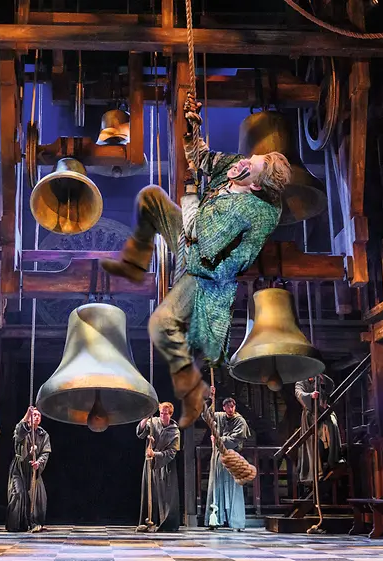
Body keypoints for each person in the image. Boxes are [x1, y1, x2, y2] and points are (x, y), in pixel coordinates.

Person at [101, 92, 292, 428]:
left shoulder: (250, 211)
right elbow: (203, 158)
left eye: (253, 165)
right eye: (253, 156)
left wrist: (190, 194)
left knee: (161, 324)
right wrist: (191, 131)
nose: (245, 161)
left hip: (207, 271)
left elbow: (197, 231)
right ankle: (133, 262)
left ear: (256, 187)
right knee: (151, 198)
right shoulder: (240, 169)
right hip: (193, 241)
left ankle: (192, 392)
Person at [205, 390, 250, 530]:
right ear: (224, 407)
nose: (230, 409)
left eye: (232, 406)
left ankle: (236, 521)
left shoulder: (240, 421)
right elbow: (206, 415)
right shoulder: (220, 416)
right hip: (219, 457)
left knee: (233, 487)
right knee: (217, 485)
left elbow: (236, 439)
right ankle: (216, 519)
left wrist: (219, 439)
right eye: (228, 407)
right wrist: (211, 398)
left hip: (232, 456)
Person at [136, 402, 181, 533]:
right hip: (151, 463)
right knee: (149, 491)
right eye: (161, 413)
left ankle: (167, 523)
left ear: (170, 414)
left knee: (165, 495)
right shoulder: (153, 422)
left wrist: (155, 454)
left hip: (165, 464)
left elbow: (171, 453)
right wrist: (146, 417)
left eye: (165, 414)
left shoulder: (175, 431)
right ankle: (149, 521)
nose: (162, 416)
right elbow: (140, 433)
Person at [6, 406, 51, 533]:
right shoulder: (23, 430)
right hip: (20, 467)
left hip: (33, 469)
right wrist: (27, 414)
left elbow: (45, 452)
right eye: (34, 415)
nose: (36, 417)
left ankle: (35, 523)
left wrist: (38, 463)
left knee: (38, 495)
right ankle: (16, 524)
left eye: (38, 415)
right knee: (18, 493)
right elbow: (19, 433)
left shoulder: (43, 434)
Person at [295, 373, 342, 484]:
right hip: (310, 414)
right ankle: (316, 471)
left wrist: (322, 378)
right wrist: (310, 396)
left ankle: (334, 459)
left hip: (323, 410)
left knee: (333, 424)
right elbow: (299, 393)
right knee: (312, 442)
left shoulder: (319, 378)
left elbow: (330, 386)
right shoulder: (301, 382)